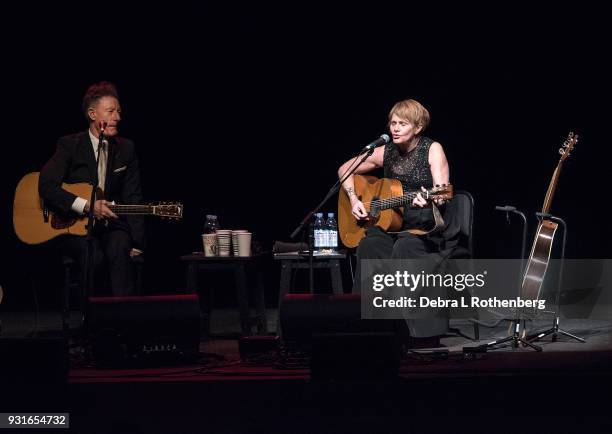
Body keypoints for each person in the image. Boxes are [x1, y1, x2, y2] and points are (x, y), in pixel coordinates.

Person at [337, 99, 460, 341]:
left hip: (426, 226)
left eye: (402, 124)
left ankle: (415, 331)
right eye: (392, 123)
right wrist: (354, 200)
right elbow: (344, 170)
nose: (394, 128)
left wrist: (430, 199)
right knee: (370, 244)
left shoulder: (432, 149)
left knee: (406, 246)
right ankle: (369, 326)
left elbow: (443, 192)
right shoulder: (386, 152)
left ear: (417, 127)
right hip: (394, 225)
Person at [39, 81, 144, 296]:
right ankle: (91, 320)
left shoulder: (126, 149)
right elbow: (47, 186)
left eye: (119, 111)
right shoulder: (70, 145)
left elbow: (134, 196)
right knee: (92, 254)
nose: (118, 117)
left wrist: (137, 241)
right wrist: (86, 206)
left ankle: (123, 319)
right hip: (75, 227)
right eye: (111, 111)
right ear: (92, 114)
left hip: (110, 226)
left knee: (119, 246)